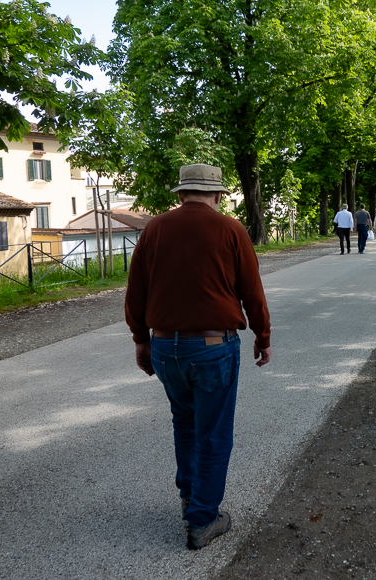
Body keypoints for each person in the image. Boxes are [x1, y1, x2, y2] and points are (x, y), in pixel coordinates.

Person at [124, 163, 272, 551]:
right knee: (214, 433)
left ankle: (191, 498)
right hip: (211, 347)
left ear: (181, 194)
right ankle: (203, 519)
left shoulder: (154, 228)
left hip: (164, 346)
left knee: (185, 424)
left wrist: (141, 340)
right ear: (218, 195)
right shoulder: (230, 230)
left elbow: (135, 290)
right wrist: (263, 336)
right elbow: (252, 292)